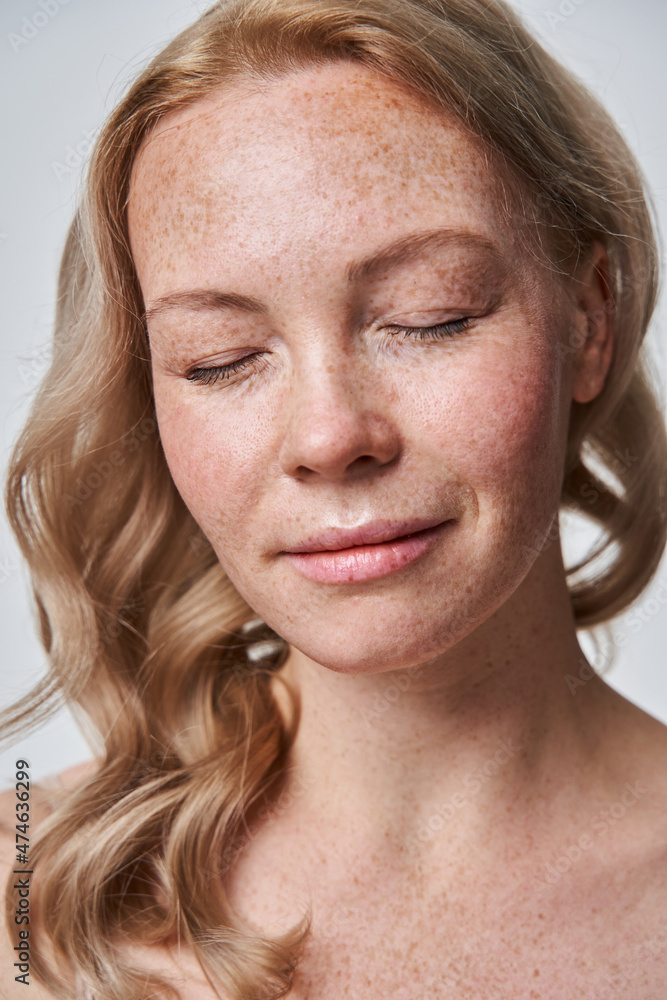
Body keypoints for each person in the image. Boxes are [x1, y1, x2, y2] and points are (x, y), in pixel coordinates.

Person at [2, 0, 667, 996]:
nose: (329, 436)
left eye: (428, 317)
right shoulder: (30, 906)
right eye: (221, 360)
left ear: (589, 317)